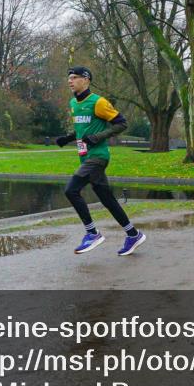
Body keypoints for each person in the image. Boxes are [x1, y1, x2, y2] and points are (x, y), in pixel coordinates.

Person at [54, 66, 145, 255]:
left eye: (74, 77)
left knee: (71, 190)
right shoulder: (74, 103)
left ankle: (92, 233)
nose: (70, 81)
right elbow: (83, 129)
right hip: (85, 157)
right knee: (107, 199)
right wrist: (68, 138)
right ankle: (133, 234)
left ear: (86, 80)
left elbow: (121, 123)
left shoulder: (98, 102)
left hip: (98, 157)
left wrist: (98, 137)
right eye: (69, 78)